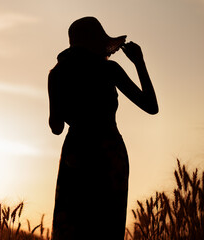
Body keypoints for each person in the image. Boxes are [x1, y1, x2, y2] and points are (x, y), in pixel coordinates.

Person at [48, 17, 158, 239]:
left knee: (72, 223)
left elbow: (56, 127)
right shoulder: (109, 70)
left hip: (75, 152)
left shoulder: (57, 74)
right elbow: (151, 106)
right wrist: (139, 63)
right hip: (108, 151)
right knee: (107, 224)